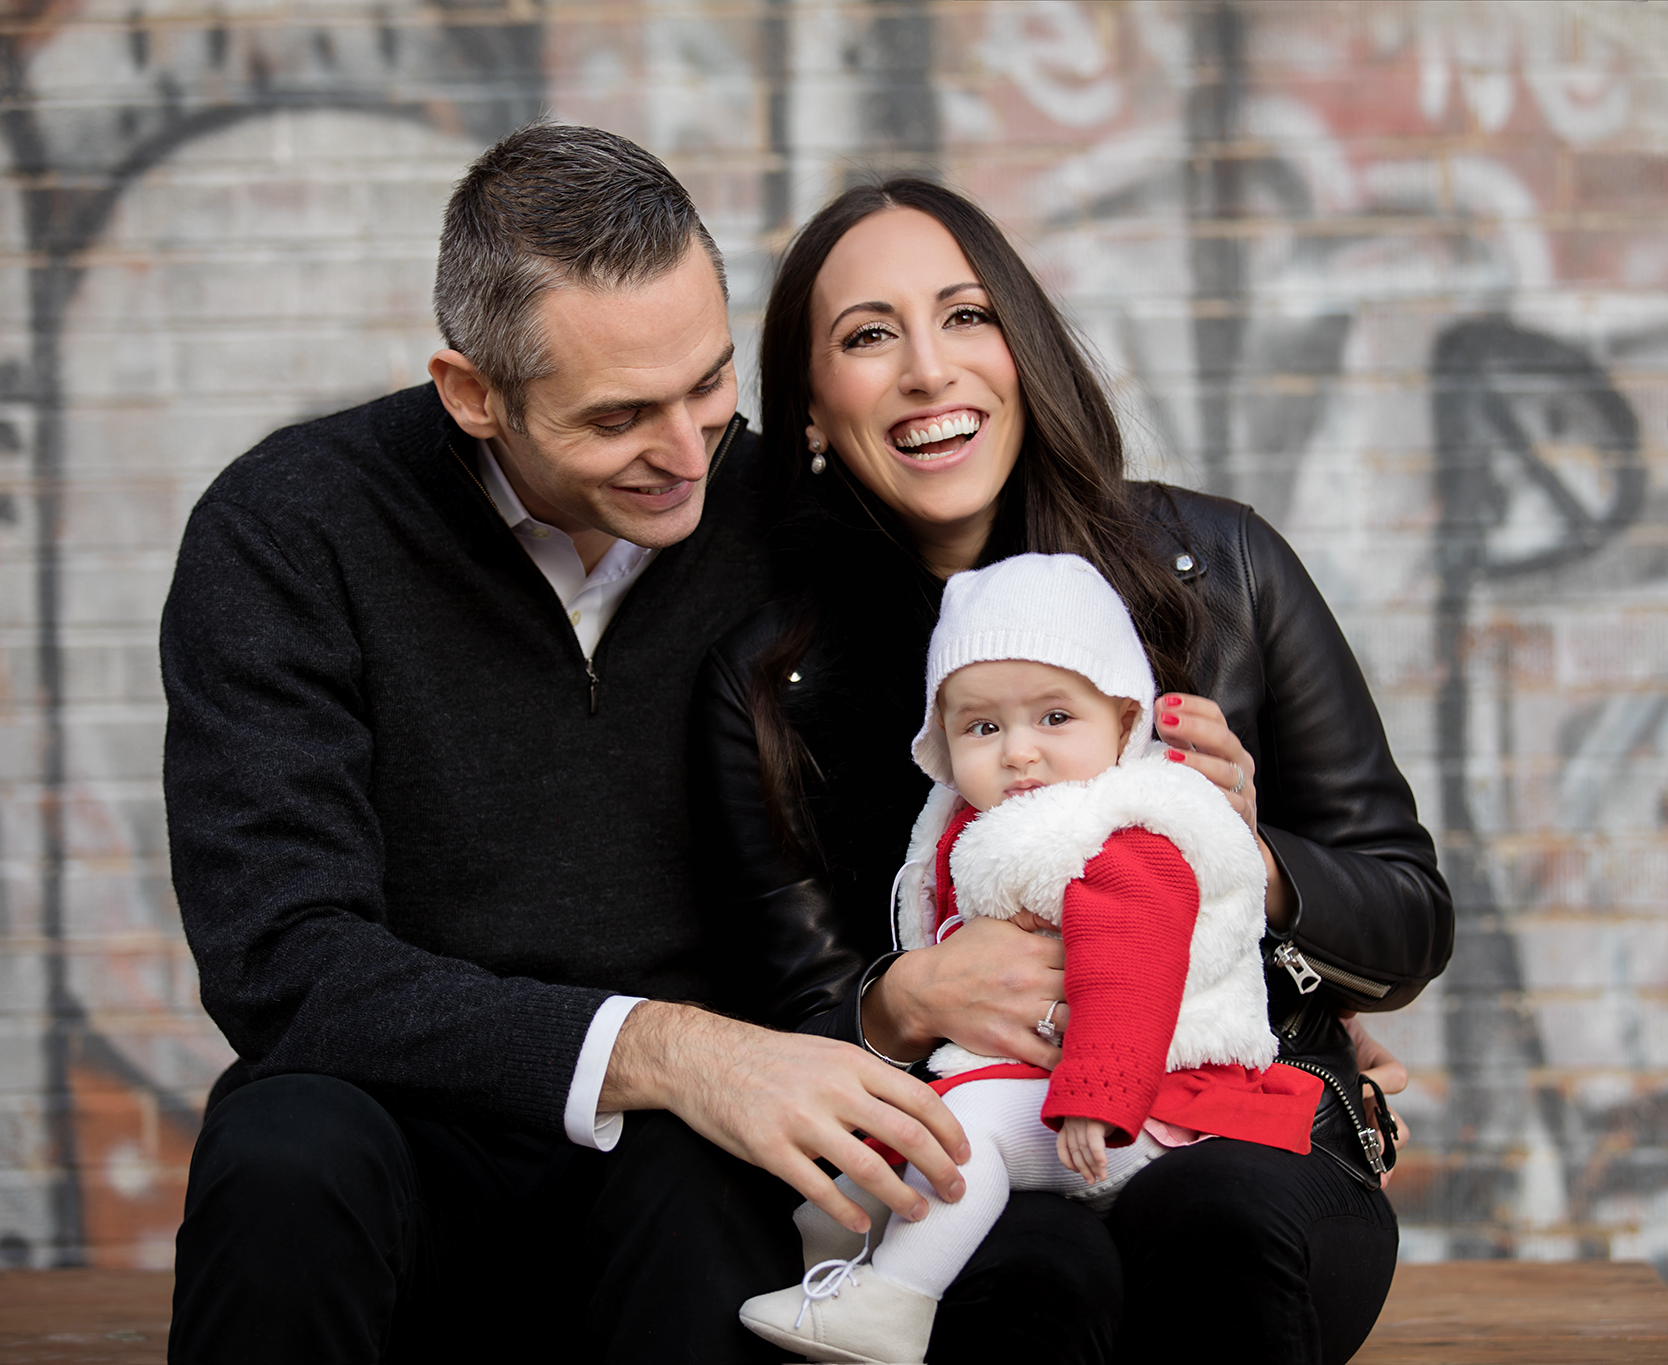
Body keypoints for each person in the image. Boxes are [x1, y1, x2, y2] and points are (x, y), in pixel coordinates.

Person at [160, 125, 969, 1365]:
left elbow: (994, 766)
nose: (690, 453)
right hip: (387, 1129)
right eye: (618, 417)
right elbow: (282, 961)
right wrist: (664, 1045)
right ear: (472, 392)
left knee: (699, 1192)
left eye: (708, 383)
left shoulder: (802, 524)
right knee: (284, 1157)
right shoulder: (288, 530)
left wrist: (1246, 921)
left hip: (677, 1170)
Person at [692, 177, 1455, 1365]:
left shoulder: (1225, 574)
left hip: (1232, 1130)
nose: (927, 371)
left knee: (1215, 1225)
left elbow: (1407, 915)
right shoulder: (767, 678)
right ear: (806, 411)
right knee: (1026, 1282)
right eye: (867, 336)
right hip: (968, 1135)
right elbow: (783, 1007)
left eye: (965, 316)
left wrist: (1238, 858)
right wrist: (904, 1002)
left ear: (1023, 347)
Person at [738, 553, 1329, 1363]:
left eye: (1055, 718)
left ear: (1126, 721)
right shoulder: (979, 828)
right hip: (1067, 1089)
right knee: (920, 1134)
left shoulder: (1122, 824)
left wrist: (1099, 1092)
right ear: (941, 742)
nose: (1019, 752)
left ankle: (891, 1305)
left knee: (959, 1133)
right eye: (983, 726)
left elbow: (1132, 961)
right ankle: (844, 1264)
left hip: (1152, 1100)